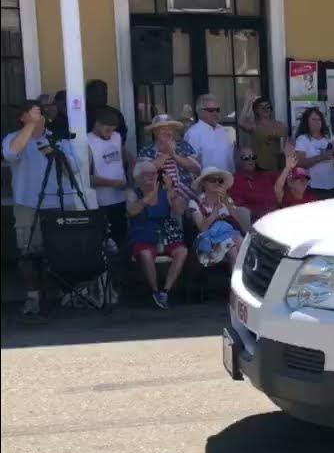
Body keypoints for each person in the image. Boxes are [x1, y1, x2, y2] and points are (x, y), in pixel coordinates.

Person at [3, 100, 84, 315]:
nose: (38, 116)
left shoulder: (59, 139)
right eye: (32, 113)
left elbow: (74, 169)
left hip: (60, 201)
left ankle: (69, 294)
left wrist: (55, 154)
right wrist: (30, 126)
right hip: (27, 204)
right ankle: (33, 298)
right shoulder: (13, 138)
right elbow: (11, 154)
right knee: (28, 252)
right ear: (22, 117)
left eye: (39, 113)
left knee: (65, 251)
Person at [126, 160, 189, 309]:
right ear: (138, 177)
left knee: (182, 251)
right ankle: (155, 291)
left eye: (154, 174)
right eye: (147, 174)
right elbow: (132, 211)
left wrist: (172, 191)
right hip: (143, 233)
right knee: (146, 254)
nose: (152, 177)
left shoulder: (165, 193)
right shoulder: (132, 193)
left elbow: (179, 211)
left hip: (165, 234)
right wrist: (153, 191)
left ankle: (165, 291)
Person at [86, 110, 132, 251]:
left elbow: (127, 158)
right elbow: (87, 178)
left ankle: (123, 268)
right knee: (103, 241)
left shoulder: (116, 137)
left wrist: (130, 176)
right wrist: (113, 183)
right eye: (107, 130)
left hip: (120, 198)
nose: (109, 134)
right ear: (97, 124)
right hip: (101, 202)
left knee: (122, 238)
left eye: (112, 131)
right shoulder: (87, 141)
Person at [188, 166, 244, 267]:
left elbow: (239, 222)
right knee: (232, 250)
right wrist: (215, 211)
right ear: (203, 183)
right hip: (208, 241)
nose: (217, 183)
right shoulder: (195, 203)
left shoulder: (228, 200)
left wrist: (226, 201)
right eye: (212, 180)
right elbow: (202, 228)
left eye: (220, 180)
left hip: (229, 235)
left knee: (242, 244)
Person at [138, 114, 201, 200]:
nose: (167, 132)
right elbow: (142, 172)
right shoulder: (147, 149)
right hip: (159, 199)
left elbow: (197, 168)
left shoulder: (184, 146)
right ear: (155, 132)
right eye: (163, 129)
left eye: (170, 128)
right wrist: (166, 154)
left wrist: (174, 155)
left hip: (187, 198)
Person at [293, 107, 334, 197]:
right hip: (313, 186)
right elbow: (300, 163)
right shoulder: (302, 139)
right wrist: (322, 157)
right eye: (313, 119)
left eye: (319, 119)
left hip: (332, 185)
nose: (317, 122)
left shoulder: (329, 138)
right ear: (306, 121)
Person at [185, 94, 236, 174]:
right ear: (200, 112)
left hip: (227, 181)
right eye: (211, 110)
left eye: (217, 110)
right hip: (206, 183)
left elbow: (230, 159)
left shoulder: (223, 131)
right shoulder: (193, 133)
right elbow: (190, 164)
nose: (215, 113)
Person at [237, 93, 287, 171]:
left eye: (268, 107)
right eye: (262, 107)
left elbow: (284, 146)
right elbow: (241, 123)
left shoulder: (280, 125)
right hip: (259, 167)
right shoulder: (254, 126)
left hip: (277, 167)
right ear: (256, 110)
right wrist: (247, 102)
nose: (265, 109)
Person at [228, 145, 279, 222]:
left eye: (253, 157)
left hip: (275, 216)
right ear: (240, 161)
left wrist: (288, 166)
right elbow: (241, 209)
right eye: (246, 158)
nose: (250, 160)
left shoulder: (264, 175)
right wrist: (262, 213)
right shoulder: (235, 181)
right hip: (256, 221)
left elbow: (282, 179)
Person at [86, 79, 129, 150]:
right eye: (98, 94)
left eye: (104, 94)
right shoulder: (82, 115)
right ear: (89, 94)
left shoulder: (115, 113)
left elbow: (122, 134)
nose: (103, 97)